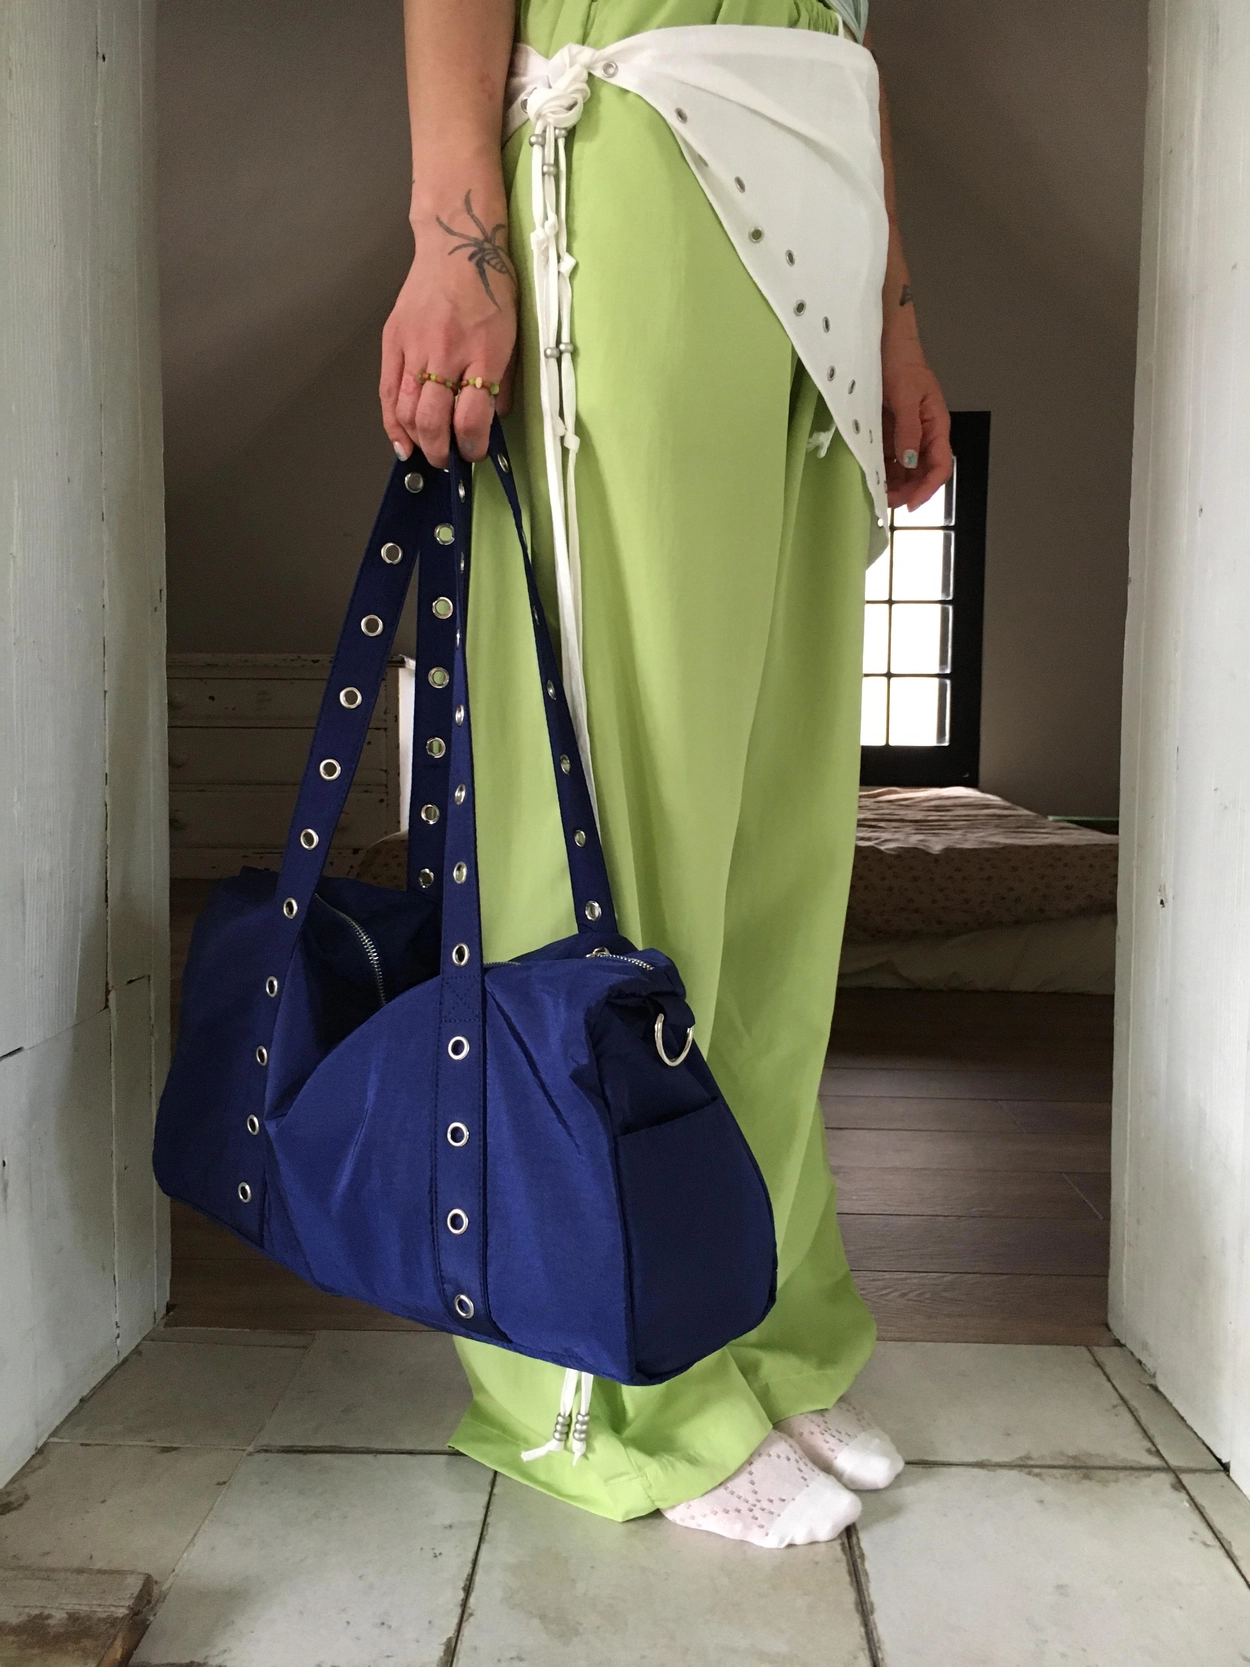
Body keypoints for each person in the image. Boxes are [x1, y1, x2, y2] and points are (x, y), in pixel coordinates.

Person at [379, 0, 952, 1550]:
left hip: (815, 204)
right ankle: (596, 1380)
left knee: (771, 851)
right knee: (615, 826)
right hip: (626, 154)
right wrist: (453, 239)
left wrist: (891, 308)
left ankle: (751, 1322)